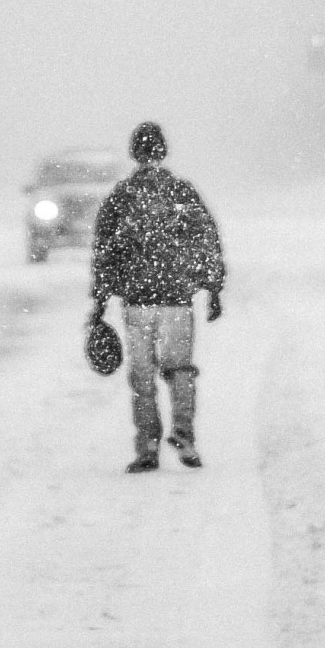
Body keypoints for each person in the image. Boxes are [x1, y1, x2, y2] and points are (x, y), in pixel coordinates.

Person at [88, 121, 225, 474]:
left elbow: (106, 251)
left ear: (135, 152)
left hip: (137, 302)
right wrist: (212, 288)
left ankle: (147, 446)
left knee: (142, 376)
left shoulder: (122, 196)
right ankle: (186, 436)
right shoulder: (181, 192)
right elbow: (205, 239)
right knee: (180, 370)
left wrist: (101, 299)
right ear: (163, 151)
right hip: (177, 299)